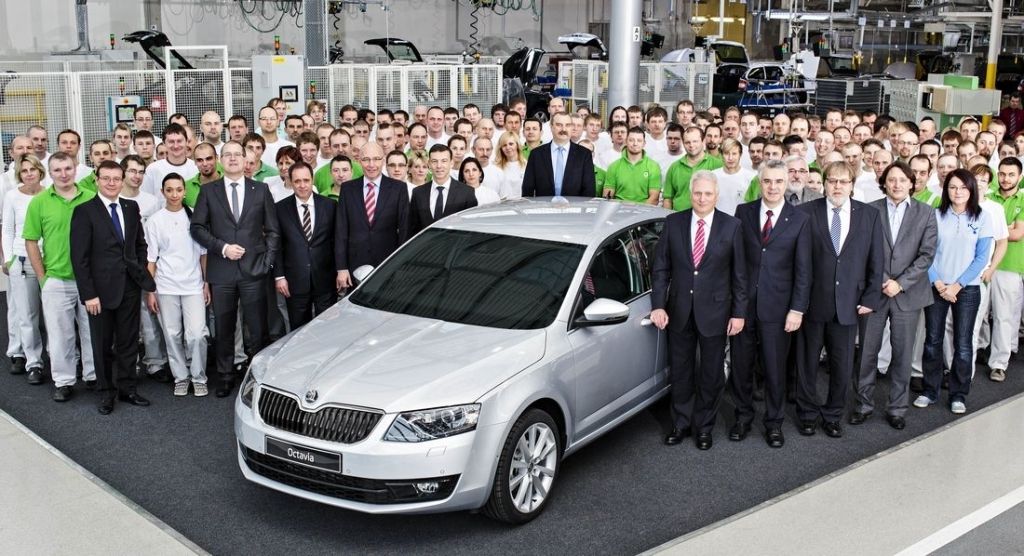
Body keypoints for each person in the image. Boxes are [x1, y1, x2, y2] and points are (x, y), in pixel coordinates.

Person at [651, 170, 747, 450]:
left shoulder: (732, 226)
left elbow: (740, 275)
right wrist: (658, 306)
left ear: (716, 195)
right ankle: (681, 423)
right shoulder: (674, 222)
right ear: (690, 194)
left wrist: (739, 313)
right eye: (697, 193)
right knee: (680, 371)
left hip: (716, 312)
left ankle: (704, 426)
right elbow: (661, 268)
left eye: (707, 193)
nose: (702, 198)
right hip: (679, 310)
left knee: (711, 373)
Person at [796, 161, 884, 438]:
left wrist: (871, 297)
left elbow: (876, 260)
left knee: (842, 365)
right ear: (824, 183)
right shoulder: (805, 212)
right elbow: (797, 260)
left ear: (852, 185)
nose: (837, 186)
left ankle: (833, 415)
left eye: (843, 182)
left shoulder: (869, 216)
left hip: (849, 303)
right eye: (832, 180)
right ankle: (807, 414)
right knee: (806, 363)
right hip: (811, 303)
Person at [728, 160, 810, 448]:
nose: (773, 187)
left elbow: (804, 270)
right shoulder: (743, 212)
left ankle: (774, 423)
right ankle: (742, 417)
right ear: (759, 182)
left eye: (778, 181)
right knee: (741, 367)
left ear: (786, 183)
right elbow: (736, 262)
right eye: (767, 181)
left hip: (779, 308)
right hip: (743, 307)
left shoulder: (799, 219)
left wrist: (797, 309)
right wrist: (734, 306)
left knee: (775, 370)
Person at [190, 141, 281, 398]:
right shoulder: (209, 191)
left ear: (245, 159)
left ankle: (258, 378)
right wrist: (222, 248)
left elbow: (273, 230)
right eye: (227, 155)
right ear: (220, 159)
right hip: (222, 271)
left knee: (258, 329)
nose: (232, 159)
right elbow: (197, 228)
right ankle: (226, 376)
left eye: (236, 155)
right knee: (224, 327)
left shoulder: (260, 190)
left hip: (254, 270)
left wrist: (267, 263)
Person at [852, 161, 937, 430]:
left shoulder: (926, 213)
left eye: (902, 179)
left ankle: (897, 408)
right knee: (867, 353)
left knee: (902, 355)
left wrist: (900, 284)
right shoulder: (869, 210)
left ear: (912, 183)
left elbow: (927, 255)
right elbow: (862, 251)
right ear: (884, 183)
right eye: (892, 179)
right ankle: (863, 404)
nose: (897, 184)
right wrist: (881, 281)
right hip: (874, 293)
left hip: (908, 295)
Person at [69, 160, 156, 414]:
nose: (111, 183)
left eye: (116, 178)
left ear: (122, 180)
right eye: (106, 178)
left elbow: (140, 244)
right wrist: (89, 294)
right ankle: (106, 393)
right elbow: (80, 258)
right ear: (97, 180)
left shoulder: (130, 207)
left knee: (129, 342)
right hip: (99, 292)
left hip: (129, 287)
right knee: (102, 344)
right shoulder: (84, 211)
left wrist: (138, 269)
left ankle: (128, 389)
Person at [914, 170, 993, 415]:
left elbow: (982, 258)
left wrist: (957, 285)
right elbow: (926, 253)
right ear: (945, 189)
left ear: (972, 190)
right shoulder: (935, 215)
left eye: (963, 187)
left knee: (963, 343)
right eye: (953, 187)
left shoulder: (983, 217)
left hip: (967, 289)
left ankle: (958, 394)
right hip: (937, 287)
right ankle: (930, 390)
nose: (958, 192)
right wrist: (938, 283)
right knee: (932, 341)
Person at [23, 153, 97, 399]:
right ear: (50, 172)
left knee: (91, 331)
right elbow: (31, 241)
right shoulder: (40, 202)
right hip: (56, 278)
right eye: (57, 170)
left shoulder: (91, 197)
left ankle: (93, 376)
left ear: (75, 169)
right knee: (60, 335)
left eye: (67, 168)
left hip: (89, 280)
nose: (63, 174)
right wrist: (42, 277)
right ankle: (64, 382)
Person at [146, 173, 211, 397]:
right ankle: (181, 377)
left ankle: (199, 376)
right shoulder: (155, 221)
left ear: (184, 191)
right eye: (169, 190)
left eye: (178, 189)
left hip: (193, 285)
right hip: (165, 286)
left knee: (197, 334)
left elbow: (203, 254)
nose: (174, 194)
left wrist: (206, 283)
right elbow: (151, 259)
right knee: (172, 334)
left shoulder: (195, 217)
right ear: (162, 192)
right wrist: (151, 291)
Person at [334, 142, 409, 290]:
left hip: (388, 265)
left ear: (383, 160)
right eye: (366, 159)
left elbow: (404, 230)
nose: (371, 164)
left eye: (376, 159)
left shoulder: (398, 188)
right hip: (355, 266)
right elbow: (341, 230)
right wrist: (341, 268)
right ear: (359, 161)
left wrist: (401, 265)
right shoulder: (347, 189)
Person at [274, 162, 337, 328]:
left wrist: (340, 271)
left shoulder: (330, 206)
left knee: (327, 327)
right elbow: (277, 245)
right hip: (294, 281)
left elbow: (336, 241)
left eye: (306, 180)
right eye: (297, 181)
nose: (302, 185)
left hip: (325, 278)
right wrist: (279, 276)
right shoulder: (279, 209)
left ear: (312, 179)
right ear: (290, 182)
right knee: (298, 329)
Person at [3, 155, 46, 381]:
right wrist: (9, 259)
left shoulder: (50, 193)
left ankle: (63, 360)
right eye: (24, 170)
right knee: (27, 316)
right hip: (21, 261)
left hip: (49, 261)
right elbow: (8, 229)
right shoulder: (12, 196)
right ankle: (33, 363)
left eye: (33, 169)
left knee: (54, 316)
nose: (29, 174)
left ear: (40, 171)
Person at [984, 157, 1024, 382]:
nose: (1005, 179)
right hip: (985, 263)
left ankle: (999, 363)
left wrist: (998, 230)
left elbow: (1018, 234)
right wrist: (1007, 228)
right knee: (978, 315)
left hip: (1009, 266)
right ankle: (977, 352)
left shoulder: (1023, 199)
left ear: (1019, 176)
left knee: (1003, 317)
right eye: (1002, 174)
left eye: (1011, 175)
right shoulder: (988, 196)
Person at [521, 113, 596, 198]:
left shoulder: (584, 155)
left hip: (574, 206)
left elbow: (589, 190)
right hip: (543, 205)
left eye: (567, 125)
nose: (563, 129)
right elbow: (527, 189)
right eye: (559, 125)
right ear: (551, 127)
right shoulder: (536, 154)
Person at [408, 145, 478, 236]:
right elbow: (412, 230)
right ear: (429, 164)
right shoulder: (418, 193)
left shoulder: (467, 193)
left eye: (444, 161)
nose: (439, 166)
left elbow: (471, 230)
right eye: (434, 161)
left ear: (451, 163)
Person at [663, 127, 723, 211]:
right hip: (678, 215)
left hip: (707, 216)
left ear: (703, 141)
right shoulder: (674, 167)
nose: (691, 145)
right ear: (683, 143)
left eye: (695, 141)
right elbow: (667, 199)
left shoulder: (718, 165)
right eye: (687, 142)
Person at [602, 126, 660, 204]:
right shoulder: (613, 166)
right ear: (626, 141)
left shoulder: (653, 166)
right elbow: (607, 197)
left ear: (644, 143)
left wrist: (639, 211)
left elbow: (654, 198)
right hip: (619, 209)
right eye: (631, 140)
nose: (635, 144)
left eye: (639, 140)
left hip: (644, 210)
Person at [140, 124, 198, 200]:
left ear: (186, 142)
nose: (176, 146)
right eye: (171, 141)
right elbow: (145, 198)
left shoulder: (196, 167)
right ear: (164, 143)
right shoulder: (153, 169)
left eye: (179, 141)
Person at [495, 131, 527, 200]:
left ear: (517, 145)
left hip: (523, 203)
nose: (508, 147)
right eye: (504, 145)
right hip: (503, 204)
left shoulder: (527, 165)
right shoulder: (496, 167)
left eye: (511, 144)